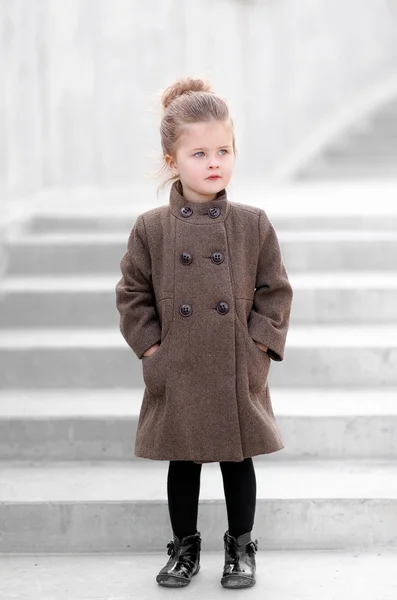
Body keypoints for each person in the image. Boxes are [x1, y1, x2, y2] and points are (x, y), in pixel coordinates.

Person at [115, 77, 293, 589]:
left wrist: (258, 345)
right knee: (184, 461)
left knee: (239, 461)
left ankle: (241, 546)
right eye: (199, 153)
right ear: (172, 160)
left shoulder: (252, 224)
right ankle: (185, 547)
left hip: (236, 361)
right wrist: (152, 349)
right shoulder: (151, 228)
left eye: (224, 150)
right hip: (180, 361)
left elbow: (274, 290)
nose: (214, 162)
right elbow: (132, 294)